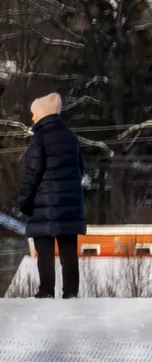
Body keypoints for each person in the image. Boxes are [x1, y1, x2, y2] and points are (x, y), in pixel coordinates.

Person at [14, 93, 86, 299]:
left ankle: (46, 291)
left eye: (34, 114)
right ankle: (71, 293)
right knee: (68, 251)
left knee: (44, 250)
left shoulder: (39, 138)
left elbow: (32, 173)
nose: (33, 118)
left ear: (43, 114)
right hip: (70, 204)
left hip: (43, 204)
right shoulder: (71, 137)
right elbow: (81, 168)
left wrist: (24, 200)